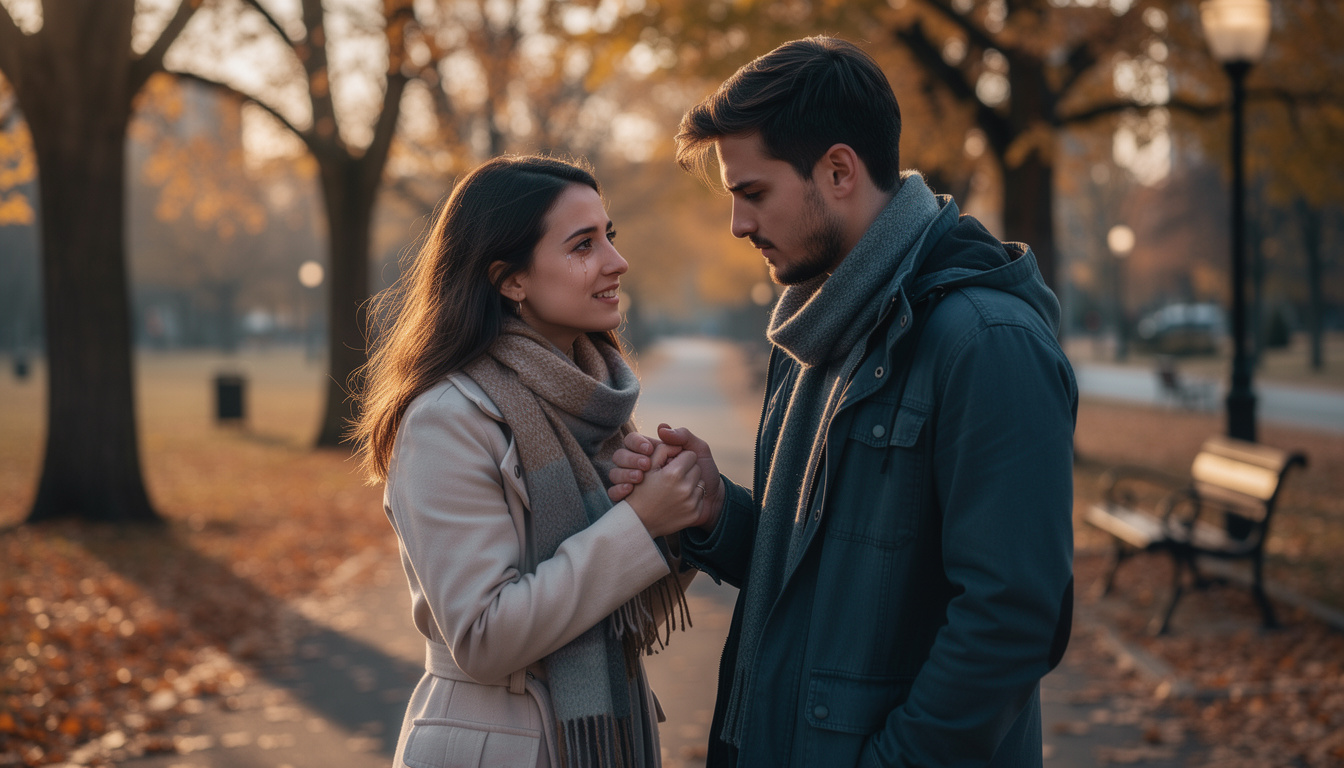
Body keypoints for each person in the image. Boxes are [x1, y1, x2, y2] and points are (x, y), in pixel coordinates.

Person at [608, 37, 1078, 767]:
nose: (737, 225)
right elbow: (826, 564)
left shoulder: (986, 342)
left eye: (752, 193)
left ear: (837, 171)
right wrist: (715, 512)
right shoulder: (818, 327)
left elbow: (1011, 621)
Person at [351, 155, 704, 768]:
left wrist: (675, 522)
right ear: (510, 279)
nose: (616, 262)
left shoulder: (595, 405)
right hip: (497, 743)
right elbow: (483, 637)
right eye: (582, 245)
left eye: (609, 237)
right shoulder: (445, 420)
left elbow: (623, 620)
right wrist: (638, 525)